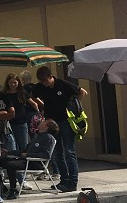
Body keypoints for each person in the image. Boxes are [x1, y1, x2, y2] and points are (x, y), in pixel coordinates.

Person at [32, 65, 87, 193]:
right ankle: (64, 180)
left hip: (66, 121)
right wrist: (41, 104)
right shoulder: (41, 87)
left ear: (51, 77)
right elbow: (32, 95)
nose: (45, 84)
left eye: (46, 81)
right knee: (57, 153)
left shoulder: (63, 84)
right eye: (42, 82)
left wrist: (74, 104)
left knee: (69, 151)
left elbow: (82, 91)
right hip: (52, 123)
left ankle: (72, 182)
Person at [0, 119, 59, 198]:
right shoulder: (37, 136)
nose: (41, 122)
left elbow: (46, 155)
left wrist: (28, 155)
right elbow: (23, 151)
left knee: (10, 165)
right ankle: (0, 185)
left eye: (44, 122)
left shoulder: (49, 138)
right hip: (25, 161)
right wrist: (9, 152)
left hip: (34, 163)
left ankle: (13, 189)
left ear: (46, 127)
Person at [0, 73, 41, 154]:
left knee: (23, 146)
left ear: (18, 83)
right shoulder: (4, 94)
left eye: (15, 82)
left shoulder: (22, 92)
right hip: (8, 124)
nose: (13, 84)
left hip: (21, 122)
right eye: (11, 82)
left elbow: (33, 103)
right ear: (7, 83)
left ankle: (24, 164)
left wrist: (39, 114)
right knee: (11, 146)